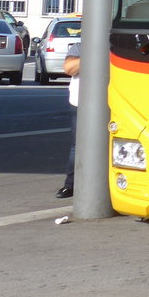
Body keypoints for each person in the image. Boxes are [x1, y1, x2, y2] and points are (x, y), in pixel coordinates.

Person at [56, 42, 80, 198]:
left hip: (116, 101)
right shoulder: (80, 47)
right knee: (78, 145)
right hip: (81, 104)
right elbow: (69, 69)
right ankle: (70, 185)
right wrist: (97, 53)